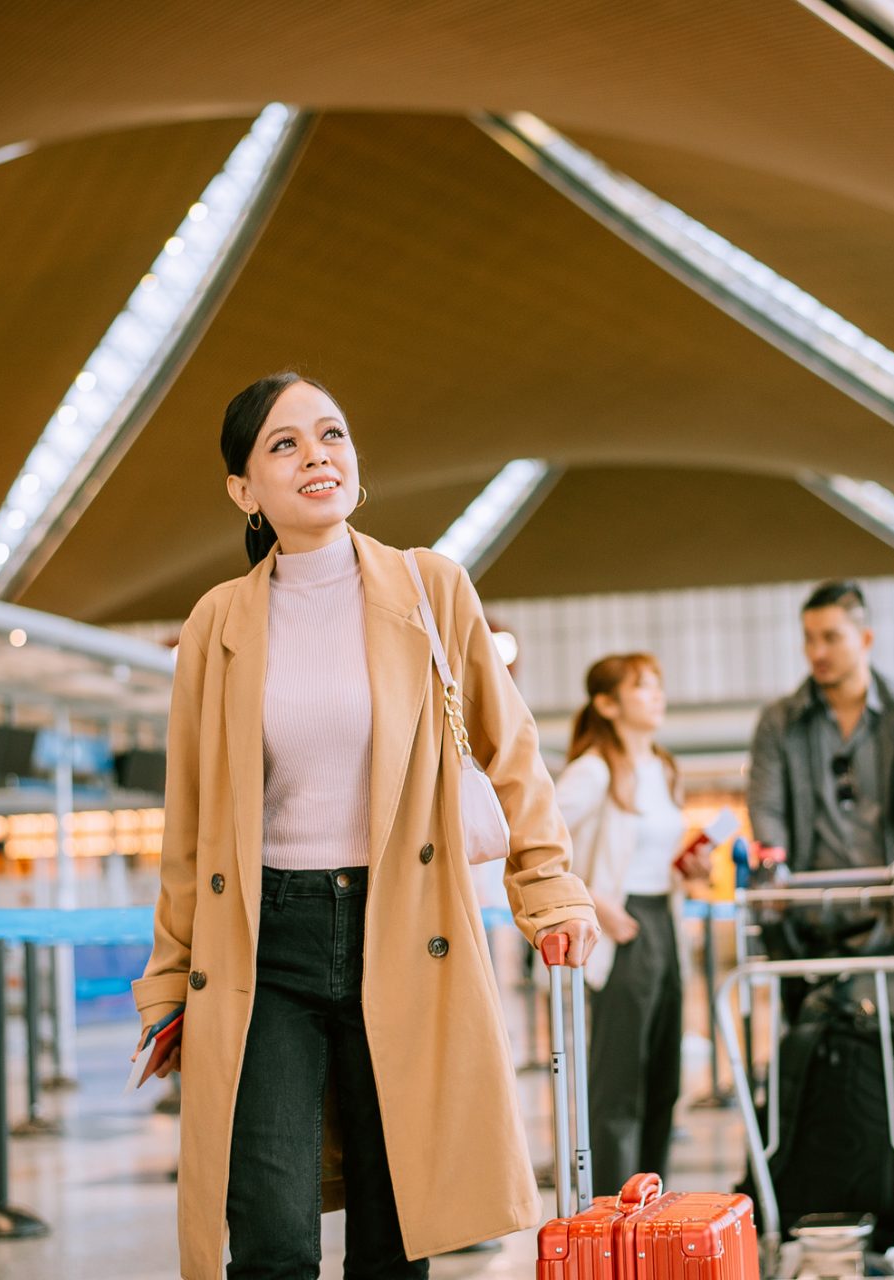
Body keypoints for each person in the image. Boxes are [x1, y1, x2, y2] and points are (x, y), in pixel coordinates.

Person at [131, 371, 601, 1280]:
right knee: (268, 1234)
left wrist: (550, 892)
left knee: (397, 1231)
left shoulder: (429, 587)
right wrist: (166, 986)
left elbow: (511, 754)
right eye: (285, 443)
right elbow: (189, 827)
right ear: (244, 491)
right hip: (264, 947)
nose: (317, 455)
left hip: (405, 927)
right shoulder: (217, 623)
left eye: (332, 434)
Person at [555, 653, 711, 1193]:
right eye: (642, 687)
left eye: (658, 686)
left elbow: (652, 854)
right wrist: (593, 900)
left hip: (662, 922)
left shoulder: (664, 767)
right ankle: (613, 1211)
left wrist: (691, 867)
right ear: (607, 703)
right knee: (619, 1081)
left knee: (664, 1079)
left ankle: (652, 1200)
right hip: (621, 927)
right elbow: (539, 842)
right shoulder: (596, 768)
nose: (656, 696)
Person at [746, 581, 894, 970]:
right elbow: (766, 807)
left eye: (831, 638)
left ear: (866, 638)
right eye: (809, 639)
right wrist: (776, 869)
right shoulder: (779, 722)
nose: (817, 652)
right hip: (808, 920)